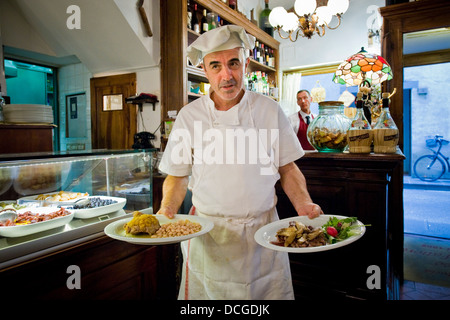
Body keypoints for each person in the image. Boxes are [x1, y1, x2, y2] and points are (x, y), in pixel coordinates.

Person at [157, 25, 323, 300]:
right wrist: (167, 210)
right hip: (210, 237)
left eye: (233, 63)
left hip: (264, 234)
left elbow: (287, 168)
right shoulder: (189, 117)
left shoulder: (270, 110)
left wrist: (304, 204)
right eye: (216, 66)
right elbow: (177, 175)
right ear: (205, 70)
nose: (226, 75)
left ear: (245, 64)